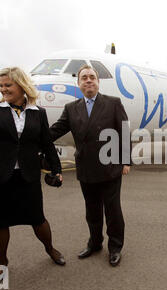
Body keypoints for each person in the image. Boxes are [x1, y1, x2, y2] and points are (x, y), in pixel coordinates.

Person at [0, 67, 66, 285]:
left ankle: (50, 249)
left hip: (28, 176)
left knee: (38, 219)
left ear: (22, 86)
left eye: (8, 85)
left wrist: (57, 169)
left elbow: (46, 143)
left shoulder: (38, 112)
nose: (3, 89)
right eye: (1, 85)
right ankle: (2, 262)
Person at [49, 65, 130, 267]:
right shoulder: (71, 108)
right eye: (84, 78)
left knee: (113, 211)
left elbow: (125, 132)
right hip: (86, 168)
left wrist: (126, 160)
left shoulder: (113, 103)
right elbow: (56, 130)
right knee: (92, 211)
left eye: (92, 77)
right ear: (78, 84)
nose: (88, 80)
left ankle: (115, 247)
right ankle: (95, 244)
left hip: (110, 167)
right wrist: (33, 137)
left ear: (98, 82)